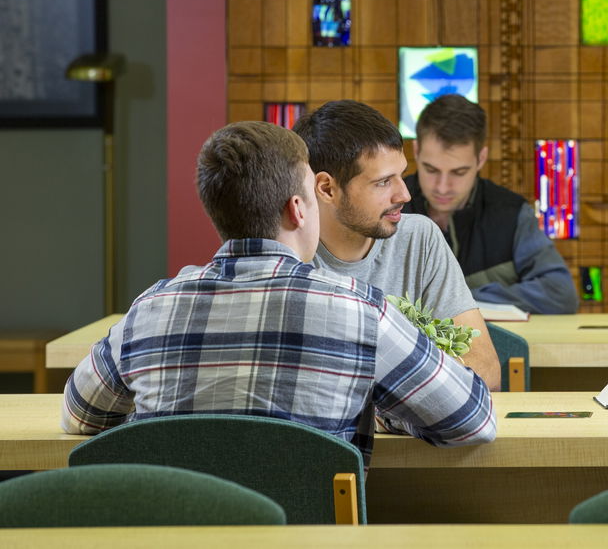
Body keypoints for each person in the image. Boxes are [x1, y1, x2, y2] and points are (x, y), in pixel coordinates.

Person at [62, 121, 496, 461]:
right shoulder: (358, 311)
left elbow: (80, 413)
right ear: (297, 208)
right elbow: (473, 418)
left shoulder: (149, 310)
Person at [293, 100, 501, 389]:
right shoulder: (285, 252)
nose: (404, 194)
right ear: (327, 188)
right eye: (383, 182)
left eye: (401, 175)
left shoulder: (420, 237)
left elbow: (486, 370)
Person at [404, 94, 579, 315]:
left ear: (481, 158)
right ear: (416, 151)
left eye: (459, 172)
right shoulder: (386, 209)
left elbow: (560, 294)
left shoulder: (512, 214)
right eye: (431, 170)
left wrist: (458, 302)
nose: (442, 186)